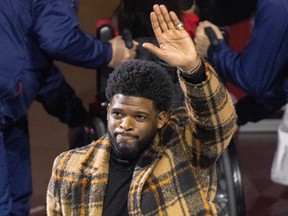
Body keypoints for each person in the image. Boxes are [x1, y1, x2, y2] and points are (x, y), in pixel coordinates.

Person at [46, 4, 237, 215]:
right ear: (109, 110)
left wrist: (193, 68)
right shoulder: (68, 168)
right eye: (118, 114)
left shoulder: (184, 153)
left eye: (139, 116)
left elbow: (218, 125)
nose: (125, 125)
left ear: (161, 118)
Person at [0, 0, 137, 214]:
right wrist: (108, 53)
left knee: (17, 197)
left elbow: (39, 71)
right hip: (5, 100)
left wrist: (76, 117)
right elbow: (58, 39)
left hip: (9, 109)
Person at [194, 0, 288, 126]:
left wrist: (213, 49)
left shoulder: (276, 6)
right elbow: (282, 87)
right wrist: (238, 114)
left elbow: (252, 78)